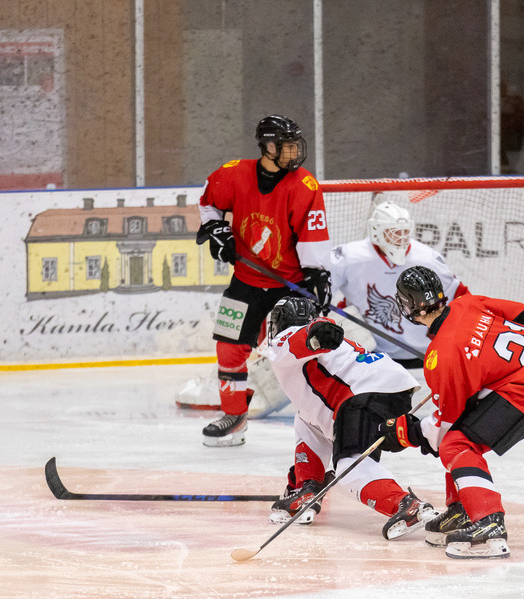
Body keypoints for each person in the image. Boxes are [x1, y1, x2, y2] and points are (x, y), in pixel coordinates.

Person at [376, 266, 524, 559]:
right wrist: (487, 365)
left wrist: (408, 432)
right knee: (459, 437)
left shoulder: (441, 355)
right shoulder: (467, 302)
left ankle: (488, 520)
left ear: (409, 305)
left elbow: (446, 423)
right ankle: (462, 509)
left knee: (456, 443)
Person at [195, 114, 332, 447]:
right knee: (228, 347)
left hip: (290, 284)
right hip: (246, 281)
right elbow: (207, 203)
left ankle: (324, 418)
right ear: (268, 147)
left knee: (305, 353)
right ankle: (235, 417)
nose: (293, 153)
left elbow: (313, 237)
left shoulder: (304, 185)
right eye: (286, 147)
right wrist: (218, 231)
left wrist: (318, 275)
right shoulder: (232, 175)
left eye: (295, 145)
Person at [262, 296, 437, 538]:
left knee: (349, 469)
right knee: (305, 418)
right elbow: (311, 420)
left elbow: (297, 338)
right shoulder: (322, 364)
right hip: (391, 388)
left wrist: (315, 331)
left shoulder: (286, 340)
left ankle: (406, 506)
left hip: (363, 394)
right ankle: (306, 487)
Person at [327, 200, 468, 369]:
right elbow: (321, 294)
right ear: (376, 231)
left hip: (425, 358)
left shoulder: (427, 259)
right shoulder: (349, 257)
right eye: (393, 232)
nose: (400, 237)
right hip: (373, 359)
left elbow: (461, 297)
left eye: (404, 231)